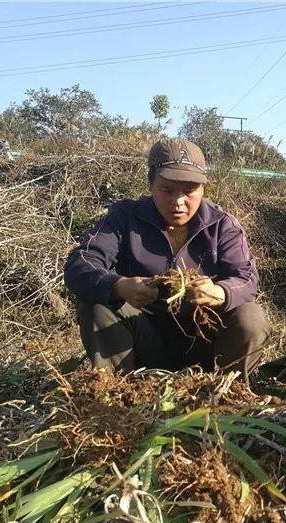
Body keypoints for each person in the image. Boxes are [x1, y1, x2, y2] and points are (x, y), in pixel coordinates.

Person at [64, 138, 268, 380]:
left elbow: (246, 278)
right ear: (151, 185)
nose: (178, 201)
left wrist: (220, 293)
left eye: (189, 191)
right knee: (96, 304)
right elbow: (81, 263)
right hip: (144, 342)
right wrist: (119, 286)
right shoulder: (124, 217)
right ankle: (117, 392)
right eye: (167, 190)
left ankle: (226, 393)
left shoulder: (222, 224)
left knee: (250, 316)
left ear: (203, 189)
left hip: (206, 346)